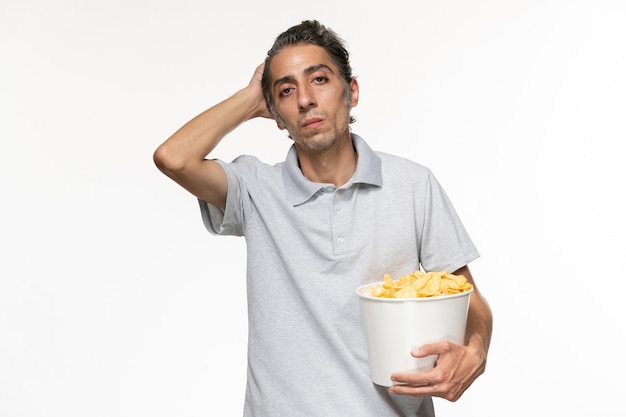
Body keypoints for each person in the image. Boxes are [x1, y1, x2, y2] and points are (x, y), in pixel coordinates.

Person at [154, 19, 492, 417]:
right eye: (285, 90)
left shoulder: (413, 184)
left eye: (318, 79)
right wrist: (250, 96)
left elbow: (470, 303)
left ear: (351, 91)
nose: (304, 100)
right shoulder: (255, 189)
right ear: (276, 115)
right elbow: (173, 158)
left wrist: (475, 351)